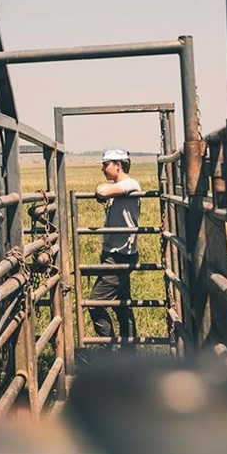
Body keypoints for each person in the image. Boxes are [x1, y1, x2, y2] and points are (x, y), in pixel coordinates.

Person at [89, 146, 141, 350]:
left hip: (120, 255)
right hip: (116, 253)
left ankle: (110, 350)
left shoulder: (130, 183)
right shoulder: (121, 186)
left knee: (95, 303)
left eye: (106, 164)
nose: (103, 169)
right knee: (122, 305)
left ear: (118, 165)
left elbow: (101, 191)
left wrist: (101, 194)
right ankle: (129, 352)